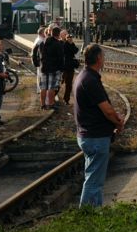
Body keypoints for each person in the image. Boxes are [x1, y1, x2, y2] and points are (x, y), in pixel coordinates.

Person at [73, 44, 124, 207]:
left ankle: (96, 211)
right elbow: (107, 110)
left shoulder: (84, 76)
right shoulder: (90, 80)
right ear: (98, 59)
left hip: (88, 134)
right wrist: (118, 122)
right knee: (94, 181)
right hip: (95, 137)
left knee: (93, 178)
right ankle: (88, 215)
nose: (104, 59)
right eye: (103, 56)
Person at [40, 27, 65, 109]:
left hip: (44, 67)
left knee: (43, 87)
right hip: (54, 68)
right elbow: (61, 57)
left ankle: (43, 105)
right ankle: (51, 104)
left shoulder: (45, 42)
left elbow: (41, 55)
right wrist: (62, 69)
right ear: (58, 34)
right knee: (52, 87)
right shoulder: (58, 44)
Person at [60, 30, 80, 105]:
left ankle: (66, 99)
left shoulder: (72, 44)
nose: (69, 38)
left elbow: (76, 51)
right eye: (68, 37)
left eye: (70, 37)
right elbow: (64, 52)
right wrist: (68, 44)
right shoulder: (62, 44)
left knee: (69, 84)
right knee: (60, 82)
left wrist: (71, 44)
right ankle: (54, 96)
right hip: (63, 67)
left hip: (70, 67)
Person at [32, 26, 48, 108]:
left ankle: (41, 93)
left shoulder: (38, 40)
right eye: (45, 32)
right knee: (42, 82)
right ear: (42, 33)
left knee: (40, 80)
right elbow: (35, 53)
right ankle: (45, 101)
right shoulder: (40, 41)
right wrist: (36, 63)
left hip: (40, 63)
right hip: (41, 64)